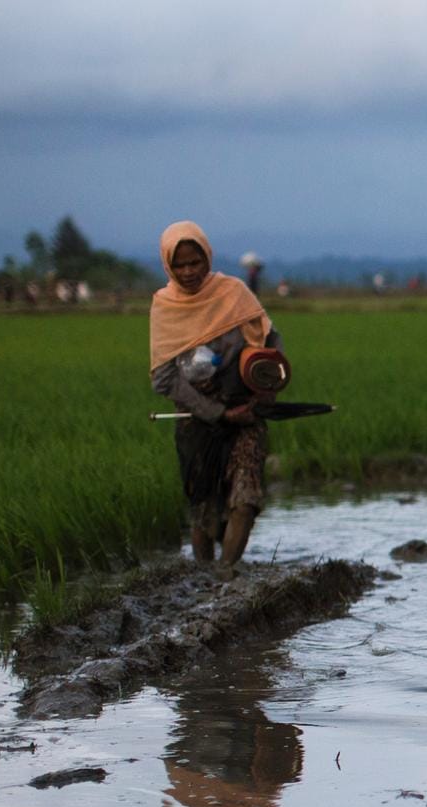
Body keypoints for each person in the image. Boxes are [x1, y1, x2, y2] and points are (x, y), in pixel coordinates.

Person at [149, 220, 280, 575]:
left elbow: (271, 343)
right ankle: (203, 578)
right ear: (168, 266)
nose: (189, 271)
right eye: (180, 265)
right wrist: (218, 413)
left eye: (196, 262)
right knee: (203, 505)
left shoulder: (234, 293)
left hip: (246, 413)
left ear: (208, 257)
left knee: (245, 498)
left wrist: (264, 392)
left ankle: (225, 575)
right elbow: (164, 379)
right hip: (198, 420)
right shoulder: (165, 307)